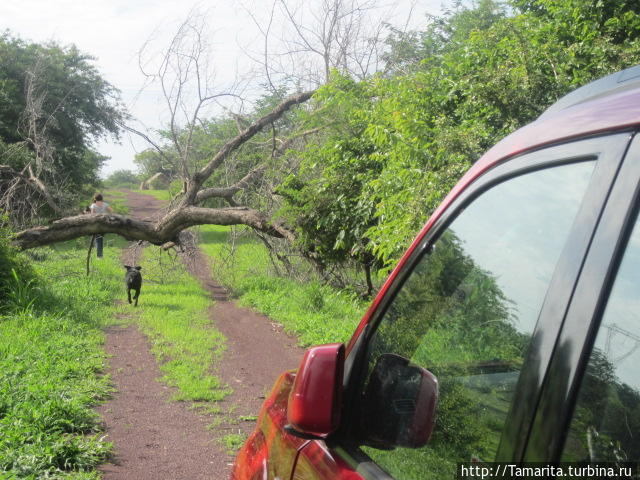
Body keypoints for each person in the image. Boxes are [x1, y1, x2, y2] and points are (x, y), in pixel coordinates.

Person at [89, 193, 113, 258]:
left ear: (95, 199)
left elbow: (92, 215)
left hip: (96, 224)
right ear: (101, 198)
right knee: (99, 239)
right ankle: (99, 254)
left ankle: (99, 256)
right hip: (104, 224)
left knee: (98, 239)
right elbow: (111, 211)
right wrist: (108, 217)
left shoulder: (93, 205)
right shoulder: (105, 204)